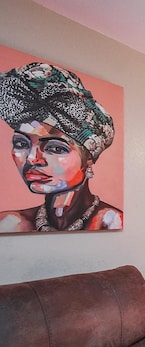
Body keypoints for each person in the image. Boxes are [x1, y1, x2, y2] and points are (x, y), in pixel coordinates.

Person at [0, 62, 122, 232]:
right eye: (21, 144)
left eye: (55, 148)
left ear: (88, 159)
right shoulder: (9, 223)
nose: (31, 158)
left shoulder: (112, 222)